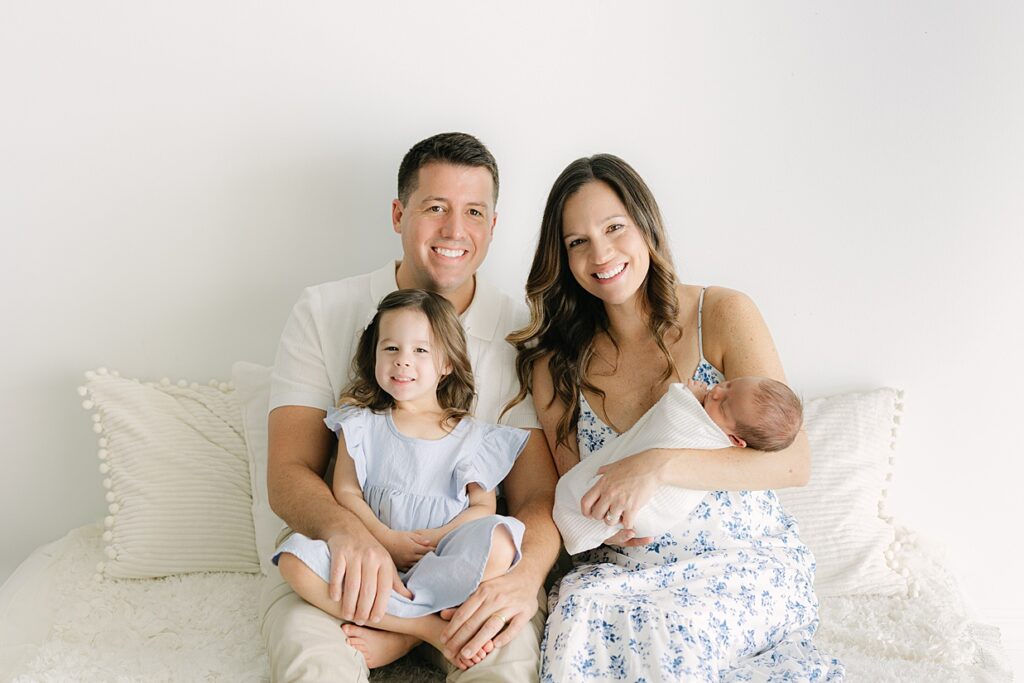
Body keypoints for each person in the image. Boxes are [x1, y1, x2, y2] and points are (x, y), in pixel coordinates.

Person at [506, 154, 844, 681]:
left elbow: (793, 464)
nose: (601, 253)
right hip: (623, 576)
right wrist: (601, 529)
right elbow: (570, 492)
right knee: (583, 626)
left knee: (673, 635)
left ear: (646, 226)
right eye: (577, 242)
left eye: (614, 227)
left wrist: (658, 464)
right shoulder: (555, 366)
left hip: (739, 564)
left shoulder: (722, 314)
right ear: (563, 258)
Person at [261, 132, 560, 683]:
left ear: (493, 226)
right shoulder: (324, 310)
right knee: (311, 660)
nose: (454, 231)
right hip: (349, 557)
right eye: (435, 208)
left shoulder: (522, 335)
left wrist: (525, 578)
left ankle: (410, 635)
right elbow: (288, 473)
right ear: (399, 214)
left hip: (466, 570)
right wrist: (349, 533)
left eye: (473, 211)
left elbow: (539, 496)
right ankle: (398, 628)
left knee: (508, 662)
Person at [274, 289, 531, 671]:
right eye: (390, 349)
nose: (402, 362)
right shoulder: (360, 424)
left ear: (447, 363)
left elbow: (483, 507)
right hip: (374, 562)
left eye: (421, 351)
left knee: (502, 539)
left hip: (441, 559)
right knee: (294, 562)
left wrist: (439, 537)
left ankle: (406, 635)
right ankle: (427, 628)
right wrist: (384, 539)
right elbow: (345, 491)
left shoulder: (473, 436)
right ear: (374, 355)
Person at [685, 375, 802, 451]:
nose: (717, 391)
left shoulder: (712, 442)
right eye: (729, 384)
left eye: (722, 407)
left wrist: (691, 398)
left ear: (734, 440)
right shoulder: (728, 413)